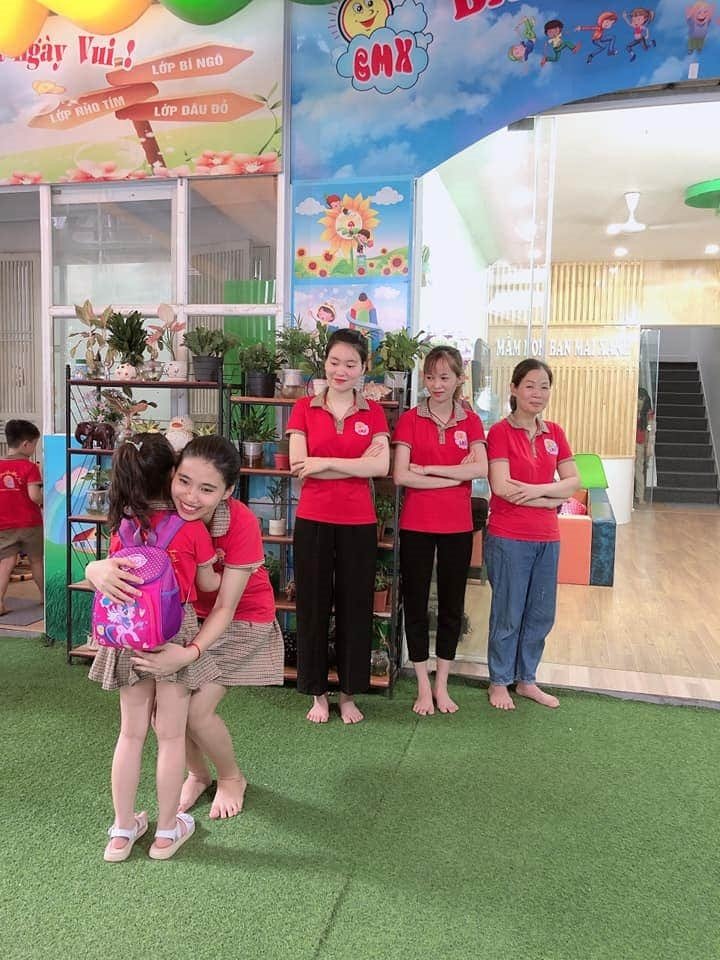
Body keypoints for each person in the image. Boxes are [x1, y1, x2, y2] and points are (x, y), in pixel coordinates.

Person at [85, 436, 284, 820]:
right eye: (184, 481)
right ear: (171, 474)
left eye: (207, 489)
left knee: (194, 712)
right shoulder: (151, 514)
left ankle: (232, 777)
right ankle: (198, 774)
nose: (191, 497)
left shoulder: (240, 522)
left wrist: (188, 654)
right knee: (165, 716)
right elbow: (121, 560)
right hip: (181, 621)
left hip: (240, 618)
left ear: (228, 491)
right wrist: (94, 569)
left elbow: (225, 606)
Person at [88, 434, 220, 861]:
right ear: (171, 476)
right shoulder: (192, 529)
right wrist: (220, 568)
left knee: (130, 734)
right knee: (170, 736)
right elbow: (208, 584)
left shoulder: (123, 528)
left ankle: (122, 832)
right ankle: (166, 833)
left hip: (128, 634)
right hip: (173, 634)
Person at [287, 328, 390, 724]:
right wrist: (354, 465)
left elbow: (380, 466)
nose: (341, 370)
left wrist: (325, 463)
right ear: (324, 363)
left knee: (355, 608)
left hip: (359, 522)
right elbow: (299, 465)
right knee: (312, 607)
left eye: (350, 363)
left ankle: (348, 694)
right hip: (312, 519)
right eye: (334, 362)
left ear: (363, 368)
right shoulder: (304, 408)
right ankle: (317, 694)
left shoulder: (373, 412)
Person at [392, 346, 488, 716]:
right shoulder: (410, 420)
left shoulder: (471, 421)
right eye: (430, 377)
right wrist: (455, 475)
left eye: (445, 377)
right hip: (416, 524)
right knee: (415, 603)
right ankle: (421, 685)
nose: (436, 384)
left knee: (452, 605)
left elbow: (480, 469)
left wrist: (431, 470)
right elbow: (401, 475)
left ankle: (442, 684)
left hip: (457, 526)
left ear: (459, 379)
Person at [485, 359, 579, 712]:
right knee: (508, 612)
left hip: (548, 537)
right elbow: (502, 487)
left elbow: (573, 482)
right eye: (529, 385)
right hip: (509, 536)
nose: (537, 393)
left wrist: (536, 491)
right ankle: (499, 681)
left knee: (541, 613)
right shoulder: (500, 432)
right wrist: (551, 496)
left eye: (544, 387)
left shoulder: (555, 432)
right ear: (514, 388)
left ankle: (526, 679)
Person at [0, 419, 44, 617]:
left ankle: (0, 602)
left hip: (4, 523)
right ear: (26, 444)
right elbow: (34, 496)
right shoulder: (29, 467)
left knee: (6, 562)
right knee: (36, 561)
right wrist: (45, 500)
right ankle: (44, 597)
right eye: (35, 444)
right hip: (30, 523)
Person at [635, 386, 654, 505]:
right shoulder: (631, 410)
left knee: (639, 470)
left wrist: (649, 445)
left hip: (641, 444)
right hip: (631, 444)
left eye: (641, 398)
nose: (639, 401)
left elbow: (650, 429)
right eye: (638, 398)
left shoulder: (648, 414)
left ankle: (640, 496)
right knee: (634, 470)